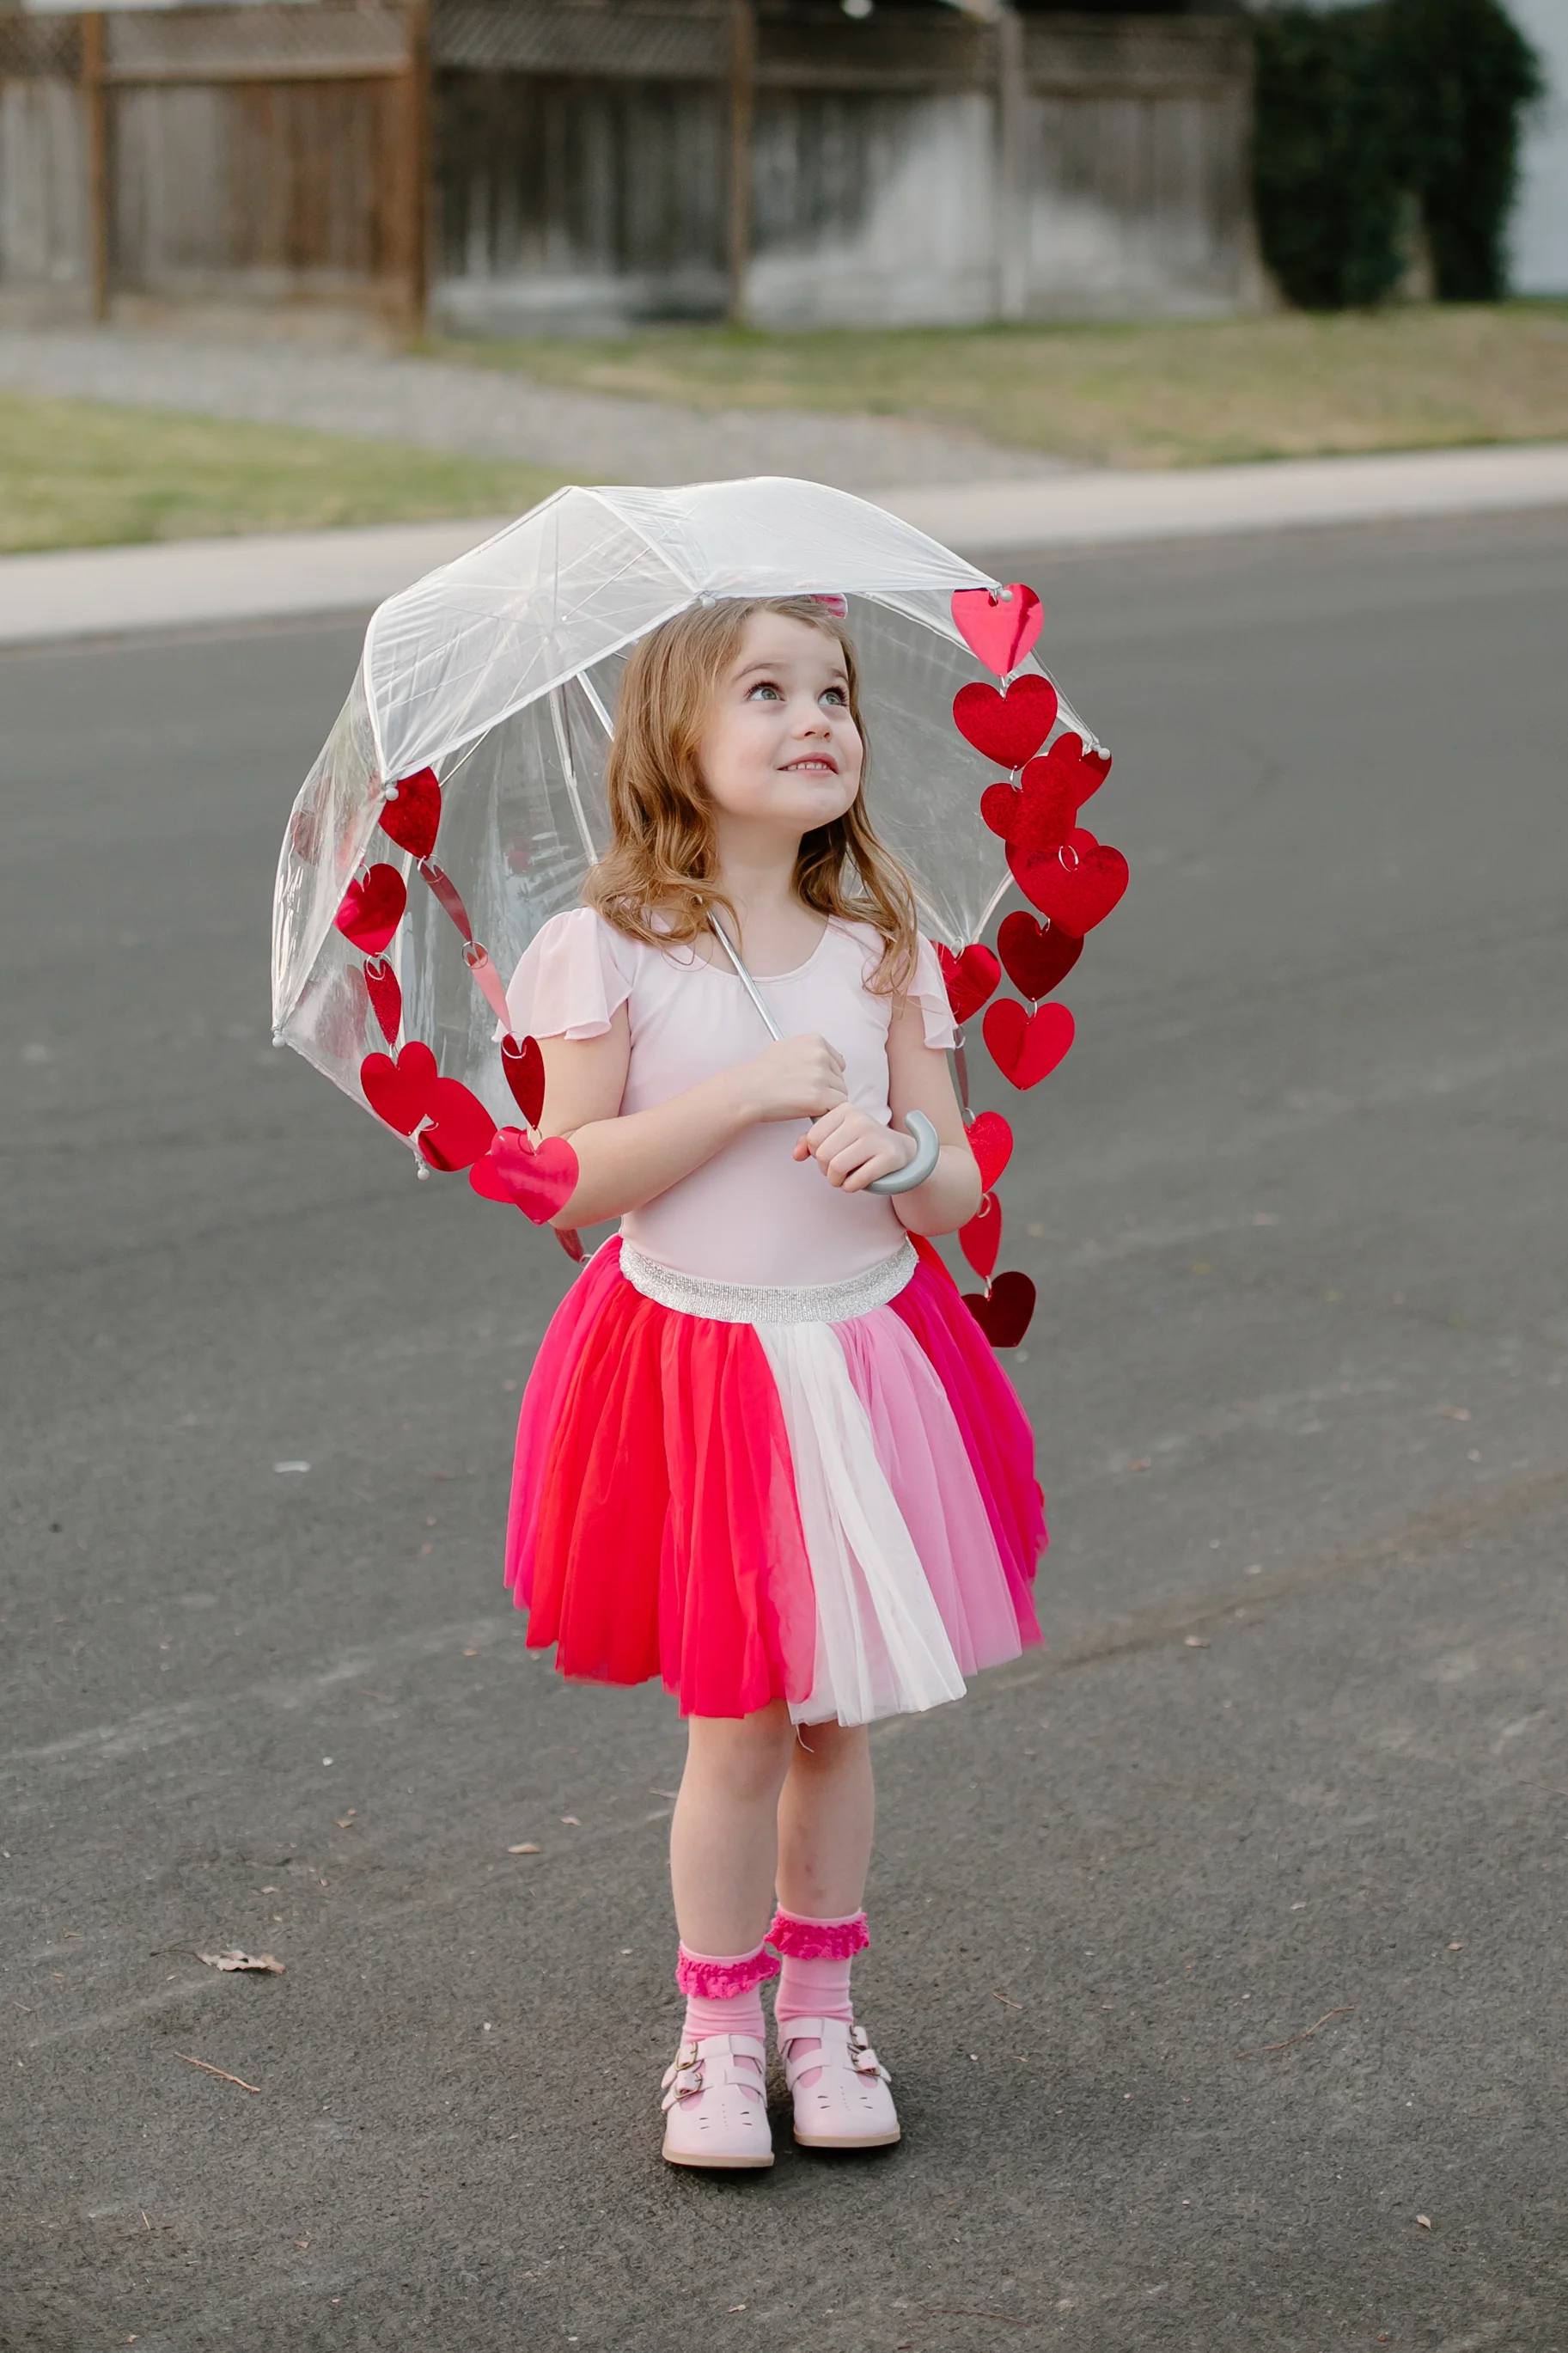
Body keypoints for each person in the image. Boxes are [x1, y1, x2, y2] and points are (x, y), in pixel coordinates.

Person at [501, 595, 1044, 2169]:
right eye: (767, 689)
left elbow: (952, 1197)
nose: (818, 717)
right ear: (677, 737)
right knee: (737, 1722)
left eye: (837, 693)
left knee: (835, 1720)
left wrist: (910, 1148)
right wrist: (740, 1093)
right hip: (699, 1364)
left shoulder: (885, 950)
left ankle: (824, 2009)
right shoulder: (603, 948)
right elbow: (571, 1182)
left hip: (865, 1353)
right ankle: (718, 2032)